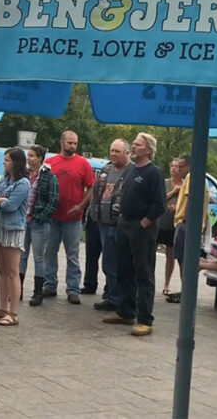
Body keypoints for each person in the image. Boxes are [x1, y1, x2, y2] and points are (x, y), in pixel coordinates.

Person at [104, 132, 165, 337]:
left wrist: (144, 223)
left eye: (138, 145)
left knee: (144, 273)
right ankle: (125, 310)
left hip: (142, 228)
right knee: (124, 269)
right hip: (125, 223)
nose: (134, 148)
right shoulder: (131, 171)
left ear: (147, 149)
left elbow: (160, 205)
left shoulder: (153, 173)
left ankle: (145, 319)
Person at [43, 131, 94, 305]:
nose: (72, 146)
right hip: (52, 217)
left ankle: (73, 289)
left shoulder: (83, 163)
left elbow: (91, 187)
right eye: (70, 143)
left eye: (75, 143)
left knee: (72, 254)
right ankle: (49, 285)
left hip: (73, 218)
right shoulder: (50, 163)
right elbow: (42, 185)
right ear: (62, 142)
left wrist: (81, 206)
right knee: (49, 252)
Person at [0, 147, 30, 326]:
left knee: (12, 271)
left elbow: (11, 206)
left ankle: (13, 312)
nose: (4, 162)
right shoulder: (5, 179)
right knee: (2, 270)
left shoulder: (23, 183)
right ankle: (2, 308)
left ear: (16, 162)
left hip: (13, 229)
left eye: (8, 160)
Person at [86, 139, 134, 312]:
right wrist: (93, 214)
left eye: (117, 151)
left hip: (120, 225)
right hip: (102, 223)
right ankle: (112, 296)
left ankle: (119, 299)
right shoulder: (106, 169)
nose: (113, 154)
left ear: (127, 153)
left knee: (119, 264)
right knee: (108, 263)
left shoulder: (132, 171)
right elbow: (96, 192)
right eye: (112, 150)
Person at [20, 144, 57, 307]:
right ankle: (18, 289)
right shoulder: (25, 175)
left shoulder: (49, 177)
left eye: (32, 155)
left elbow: (53, 200)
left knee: (38, 257)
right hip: (24, 220)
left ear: (40, 158)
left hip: (38, 222)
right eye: (28, 155)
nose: (29, 158)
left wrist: (42, 216)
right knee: (21, 255)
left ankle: (37, 292)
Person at [168, 154, 208, 303]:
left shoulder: (192, 176)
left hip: (186, 225)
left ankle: (187, 293)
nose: (179, 169)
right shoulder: (198, 178)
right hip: (188, 224)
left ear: (190, 166)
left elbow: (190, 198)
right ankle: (185, 291)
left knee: (184, 260)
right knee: (183, 259)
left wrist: (185, 218)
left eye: (182, 166)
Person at [159, 158, 184, 297]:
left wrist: (177, 207)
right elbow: (160, 198)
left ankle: (167, 283)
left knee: (171, 254)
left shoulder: (185, 185)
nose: (174, 169)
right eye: (172, 166)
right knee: (151, 251)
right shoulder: (165, 183)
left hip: (174, 224)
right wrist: (173, 192)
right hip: (160, 221)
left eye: (177, 167)